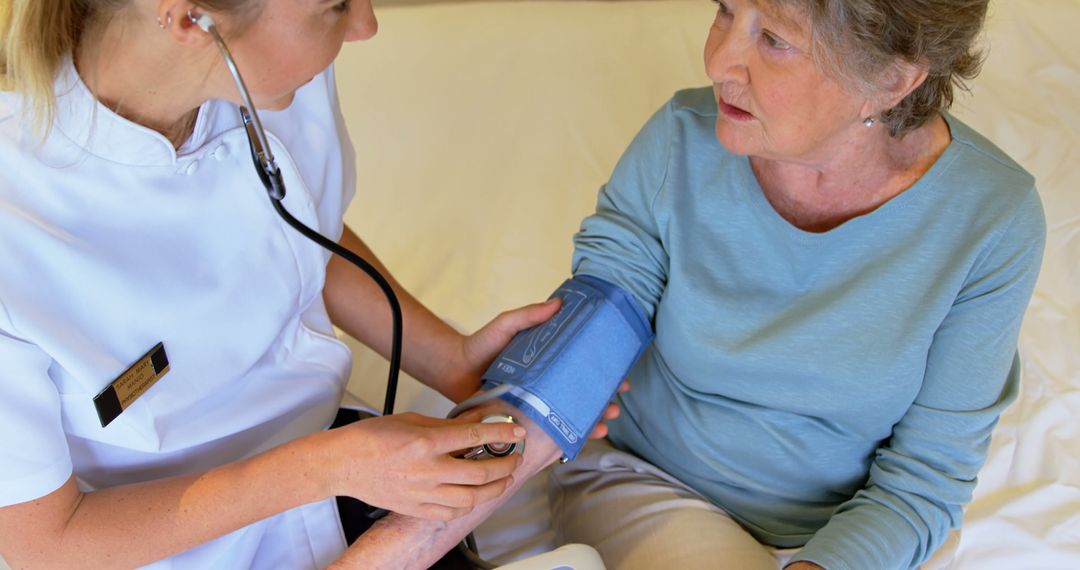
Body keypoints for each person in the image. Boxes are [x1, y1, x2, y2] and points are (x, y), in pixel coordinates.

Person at [0, 0, 586, 568]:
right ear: (188, 17)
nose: (366, 26)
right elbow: (45, 544)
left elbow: (306, 230)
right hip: (160, 542)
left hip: (349, 478)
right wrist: (325, 466)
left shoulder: (281, 84)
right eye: (334, 5)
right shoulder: (17, 225)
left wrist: (449, 358)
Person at [543, 1, 1046, 569]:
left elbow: (925, 477)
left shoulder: (992, 219)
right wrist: (527, 418)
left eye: (775, 39)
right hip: (648, 482)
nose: (719, 61)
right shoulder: (681, 139)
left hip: (857, 526)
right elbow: (602, 306)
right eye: (725, 12)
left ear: (891, 79)